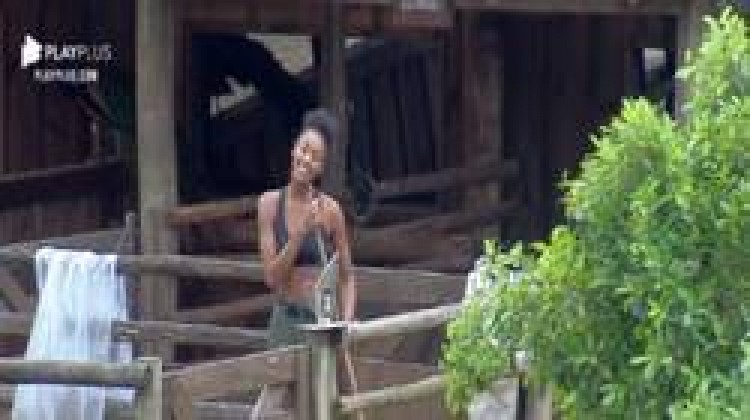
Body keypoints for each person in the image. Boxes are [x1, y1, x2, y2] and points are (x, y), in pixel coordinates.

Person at [253, 108, 359, 418]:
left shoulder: (331, 211)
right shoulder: (269, 204)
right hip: (285, 322)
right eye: (303, 149)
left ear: (321, 167)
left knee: (325, 407)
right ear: (293, 150)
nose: (306, 159)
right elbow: (271, 278)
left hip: (322, 324)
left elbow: (347, 276)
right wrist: (299, 234)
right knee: (272, 408)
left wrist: (346, 323)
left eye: (315, 156)